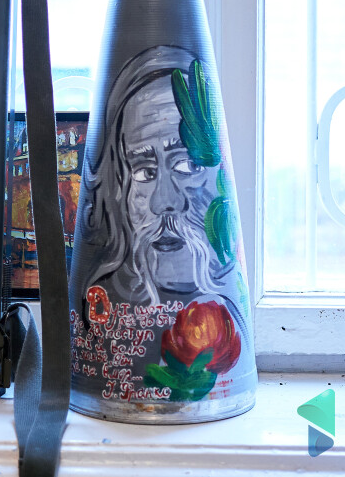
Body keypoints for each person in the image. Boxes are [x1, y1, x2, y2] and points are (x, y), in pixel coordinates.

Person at [74, 46, 243, 308]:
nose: (164, 202)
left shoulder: (231, 311)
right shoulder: (103, 305)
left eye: (188, 165)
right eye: (145, 172)